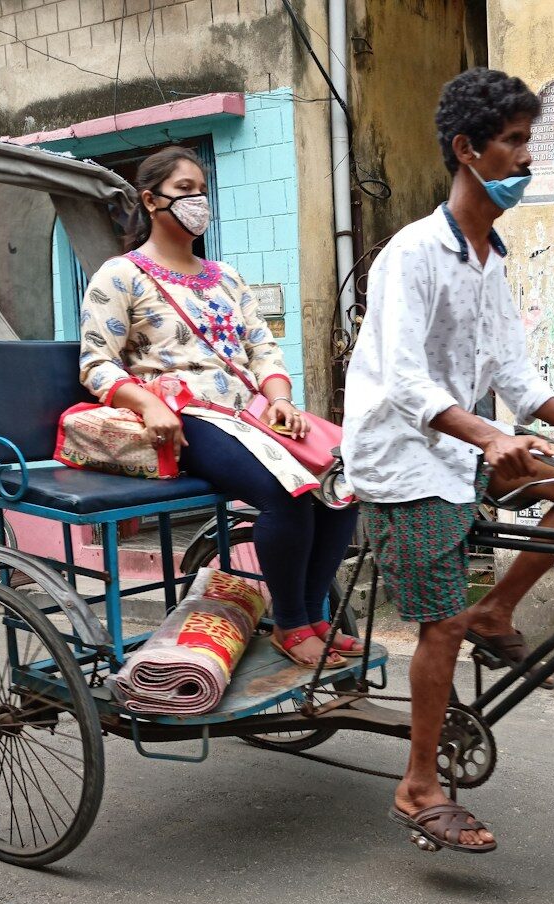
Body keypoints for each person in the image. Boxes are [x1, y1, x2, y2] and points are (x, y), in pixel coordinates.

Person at [342, 68, 554, 853]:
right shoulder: (412, 254)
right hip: (402, 454)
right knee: (440, 624)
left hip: (459, 443)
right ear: (468, 150)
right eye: (513, 142)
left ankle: (497, 611)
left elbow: (517, 377)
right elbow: (402, 381)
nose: (525, 159)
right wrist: (491, 438)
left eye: (529, 141)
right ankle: (418, 784)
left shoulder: (488, 258)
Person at [77, 147, 359, 669]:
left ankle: (317, 614)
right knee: (288, 493)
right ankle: (292, 626)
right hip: (187, 419)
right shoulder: (120, 276)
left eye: (200, 189)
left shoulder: (226, 277)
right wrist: (146, 403)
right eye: (184, 189)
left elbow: (262, 347)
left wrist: (280, 400)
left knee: (346, 479)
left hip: (252, 413)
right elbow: (96, 364)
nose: (196, 200)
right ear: (150, 199)